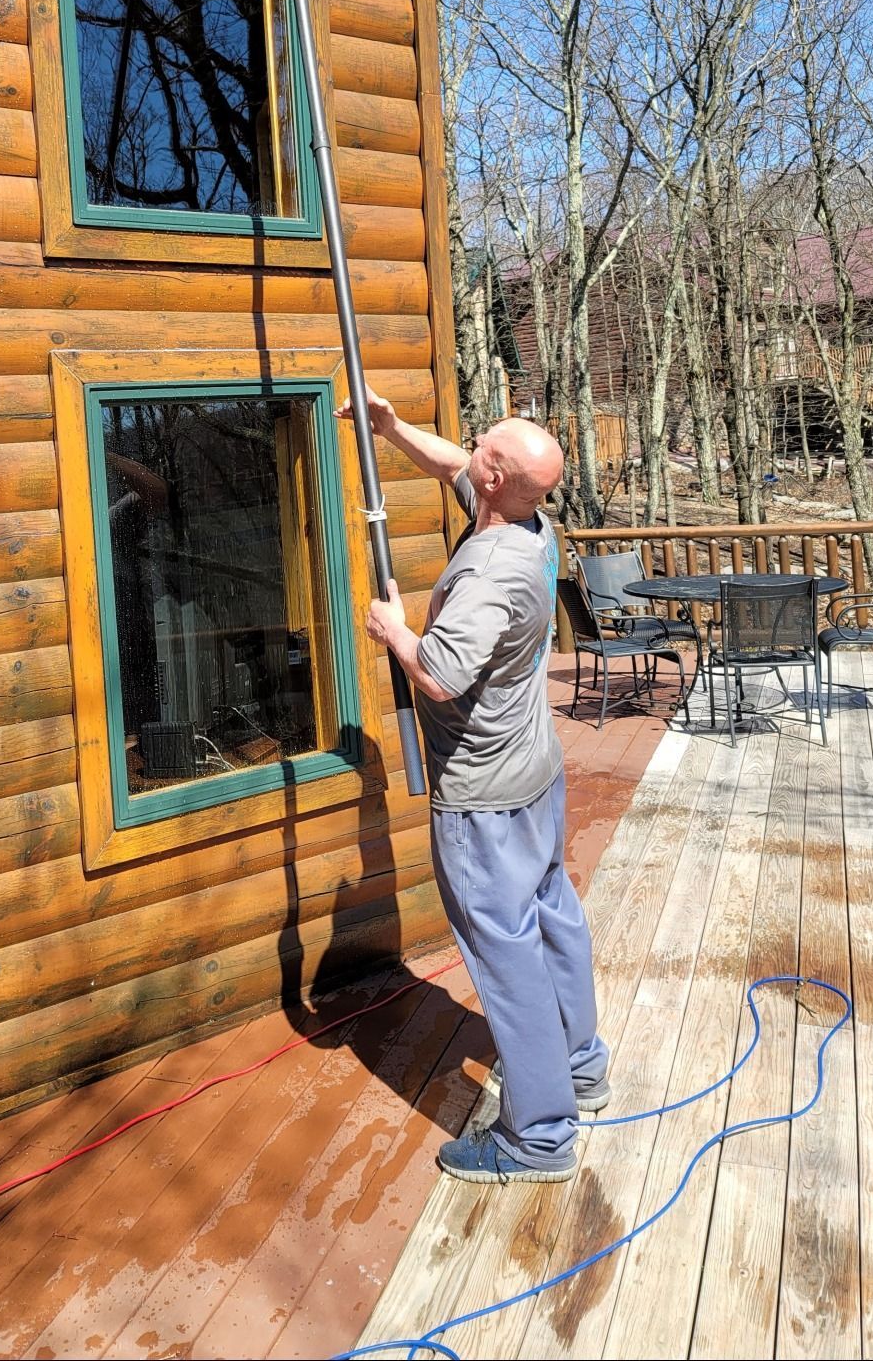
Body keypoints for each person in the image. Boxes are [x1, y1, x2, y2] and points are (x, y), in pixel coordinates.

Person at [336, 388, 608, 1185]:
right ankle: (580, 1063)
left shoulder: (492, 570)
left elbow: (444, 676)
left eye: (482, 445)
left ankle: (541, 1138)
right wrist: (389, 430)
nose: (470, 448)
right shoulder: (530, 521)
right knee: (552, 914)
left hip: (484, 793)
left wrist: (394, 632)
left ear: (497, 476)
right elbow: (453, 462)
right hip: (534, 775)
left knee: (505, 953)